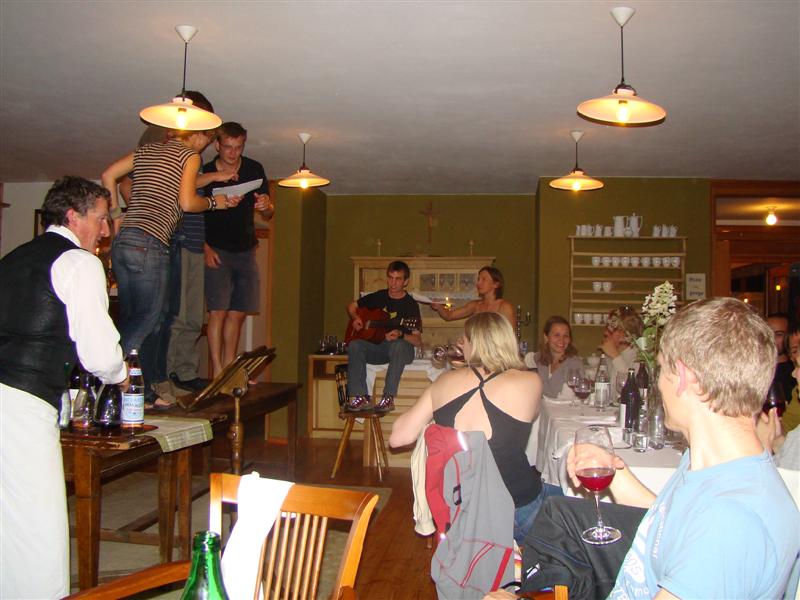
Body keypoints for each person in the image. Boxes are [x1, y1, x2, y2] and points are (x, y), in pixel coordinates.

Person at [520, 297, 800, 599]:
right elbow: (670, 520)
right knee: (557, 512)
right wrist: (615, 472)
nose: (658, 385)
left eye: (662, 369)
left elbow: (707, 535)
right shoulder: (712, 461)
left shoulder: (729, 525)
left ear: (683, 378)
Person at [0, 177, 129, 598]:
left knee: (7, 518)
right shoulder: (79, 262)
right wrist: (123, 376)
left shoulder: (12, 259)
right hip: (23, 401)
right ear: (74, 217)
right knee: (40, 527)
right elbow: (99, 354)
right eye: (101, 218)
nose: (106, 230)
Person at [390, 312, 562, 545]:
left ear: (471, 343)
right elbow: (530, 415)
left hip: (461, 510)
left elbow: (398, 438)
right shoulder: (530, 381)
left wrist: (462, 369)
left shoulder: (443, 382)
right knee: (567, 495)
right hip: (516, 509)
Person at [102, 124, 234, 406]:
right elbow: (187, 203)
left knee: (133, 317)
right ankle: (110, 379)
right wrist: (214, 203)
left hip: (124, 242)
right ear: (198, 134)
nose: (205, 146)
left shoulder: (146, 150)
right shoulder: (189, 156)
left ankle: (139, 390)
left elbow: (108, 175)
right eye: (208, 139)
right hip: (151, 242)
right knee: (149, 318)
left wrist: (116, 218)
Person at [118, 91, 219, 394]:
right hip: (157, 238)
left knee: (162, 315)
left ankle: (153, 381)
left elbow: (113, 175)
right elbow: (130, 182)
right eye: (207, 133)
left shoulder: (188, 154)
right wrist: (135, 214)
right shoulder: (163, 137)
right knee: (154, 316)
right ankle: (126, 376)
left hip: (157, 238)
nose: (207, 140)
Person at [202, 122, 274, 377]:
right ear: (217, 145)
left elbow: (268, 213)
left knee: (238, 313)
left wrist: (266, 205)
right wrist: (205, 248)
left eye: (238, 147)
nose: (233, 153)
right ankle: (217, 370)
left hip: (246, 250)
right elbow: (190, 215)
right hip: (216, 249)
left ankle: (230, 369)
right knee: (218, 311)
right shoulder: (205, 172)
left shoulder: (254, 169)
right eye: (228, 147)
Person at [345, 260, 422, 413]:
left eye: (398, 279)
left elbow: (417, 340)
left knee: (397, 345)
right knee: (355, 345)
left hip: (402, 350)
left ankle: (388, 397)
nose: (393, 283)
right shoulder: (379, 297)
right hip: (379, 348)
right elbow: (352, 306)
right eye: (390, 278)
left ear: (406, 281)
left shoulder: (410, 305)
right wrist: (355, 317)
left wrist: (401, 334)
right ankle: (361, 397)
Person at [431, 265, 515, 325]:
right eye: (478, 279)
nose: (478, 283)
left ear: (496, 284)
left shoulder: (504, 307)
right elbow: (449, 316)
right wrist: (439, 307)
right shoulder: (475, 305)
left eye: (483, 279)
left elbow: (510, 336)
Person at [534, 315, 583, 398]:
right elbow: (524, 361)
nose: (562, 340)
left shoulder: (574, 364)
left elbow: (569, 398)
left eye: (565, 336)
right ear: (546, 338)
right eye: (557, 335)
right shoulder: (540, 357)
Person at [599, 305, 643, 384]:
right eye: (607, 327)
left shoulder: (639, 357)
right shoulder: (609, 356)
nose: (606, 332)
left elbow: (631, 386)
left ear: (626, 333)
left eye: (613, 329)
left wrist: (615, 356)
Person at [768, 313, 797, 403]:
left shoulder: (795, 373)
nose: (771, 338)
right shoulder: (753, 369)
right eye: (767, 333)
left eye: (778, 334)